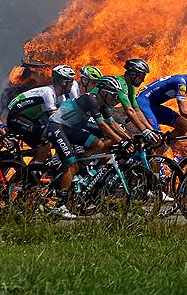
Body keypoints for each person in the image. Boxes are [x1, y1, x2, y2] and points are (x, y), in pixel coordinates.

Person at [45, 76, 131, 217]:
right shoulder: (90, 99)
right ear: (103, 92)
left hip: (69, 128)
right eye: (114, 96)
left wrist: (130, 139)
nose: (116, 100)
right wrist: (121, 142)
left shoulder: (103, 105)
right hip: (57, 127)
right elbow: (103, 125)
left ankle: (79, 172)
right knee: (72, 165)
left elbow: (113, 124)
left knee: (99, 144)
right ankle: (59, 205)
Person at [6, 65, 76, 163]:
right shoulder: (48, 92)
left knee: (46, 144)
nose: (72, 85)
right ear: (62, 82)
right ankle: (35, 170)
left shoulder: (61, 97)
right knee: (47, 139)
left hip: (31, 117)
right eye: (70, 82)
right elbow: (54, 118)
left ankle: (34, 166)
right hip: (16, 116)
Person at [136, 62, 187, 141]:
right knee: (156, 138)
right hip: (143, 104)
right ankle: (155, 147)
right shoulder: (181, 83)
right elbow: (183, 111)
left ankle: (162, 145)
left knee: (183, 126)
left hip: (153, 105)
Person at [93, 59, 157, 141]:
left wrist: (151, 130)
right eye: (142, 77)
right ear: (133, 74)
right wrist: (144, 131)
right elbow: (129, 111)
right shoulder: (121, 85)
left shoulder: (130, 86)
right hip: (90, 110)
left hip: (102, 111)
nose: (143, 80)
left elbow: (136, 110)